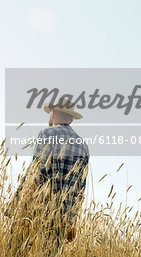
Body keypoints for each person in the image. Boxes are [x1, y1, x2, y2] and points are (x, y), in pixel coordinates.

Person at [29, 97, 89, 249]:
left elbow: (37, 173)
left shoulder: (47, 134)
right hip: (64, 217)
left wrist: (23, 205)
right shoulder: (83, 146)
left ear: (53, 114)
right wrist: (72, 222)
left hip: (40, 210)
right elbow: (80, 189)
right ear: (71, 119)